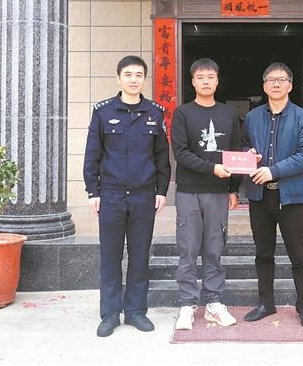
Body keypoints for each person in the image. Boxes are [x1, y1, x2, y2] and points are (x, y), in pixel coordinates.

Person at [83, 55, 171, 337]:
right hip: (111, 196)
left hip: (144, 197)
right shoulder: (103, 112)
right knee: (110, 257)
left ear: (144, 79)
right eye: (128, 75)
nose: (134, 80)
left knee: (139, 256)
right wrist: (92, 191)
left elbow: (162, 157)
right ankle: (110, 313)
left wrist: (161, 191)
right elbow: (92, 155)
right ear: (118, 78)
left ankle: (135, 311)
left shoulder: (155, 113)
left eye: (139, 75)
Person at [241, 62, 303, 329]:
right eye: (271, 79)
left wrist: (273, 171)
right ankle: (266, 303)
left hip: (291, 197)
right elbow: (243, 145)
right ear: (264, 86)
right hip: (260, 196)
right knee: (263, 253)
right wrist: (249, 154)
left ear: (290, 86)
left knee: (299, 255)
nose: (276, 83)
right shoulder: (252, 117)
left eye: (281, 79)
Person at [170, 58, 241, 330]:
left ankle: (213, 303)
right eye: (200, 77)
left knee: (214, 248)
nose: (206, 81)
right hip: (189, 191)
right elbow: (181, 153)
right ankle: (187, 304)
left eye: (210, 77)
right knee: (188, 248)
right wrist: (212, 168)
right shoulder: (183, 113)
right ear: (193, 81)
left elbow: (235, 151)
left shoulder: (228, 114)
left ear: (217, 80)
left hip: (218, 193)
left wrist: (233, 188)